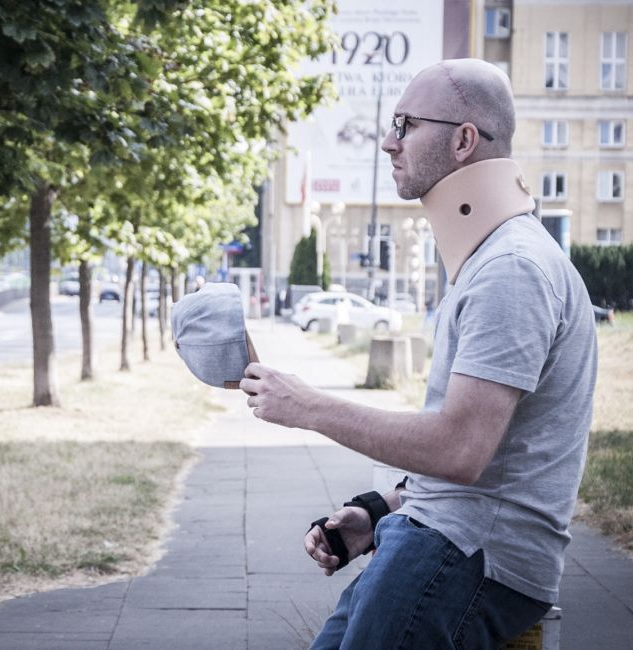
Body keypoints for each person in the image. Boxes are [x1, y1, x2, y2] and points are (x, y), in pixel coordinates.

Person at [240, 58, 597, 649]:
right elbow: (497, 460)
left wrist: (306, 406)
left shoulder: (512, 269)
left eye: (406, 124)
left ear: (463, 140)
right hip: (432, 536)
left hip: (468, 556)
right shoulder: (492, 260)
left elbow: (461, 450)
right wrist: (376, 511)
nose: (388, 142)